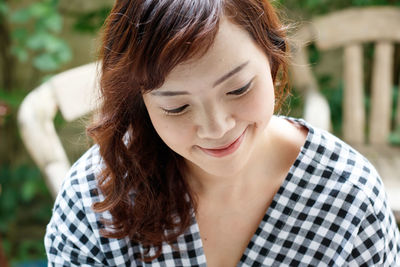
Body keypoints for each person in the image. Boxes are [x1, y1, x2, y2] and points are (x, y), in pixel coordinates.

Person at [44, 0, 400, 266]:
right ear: (141, 104)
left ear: (274, 57)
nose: (217, 128)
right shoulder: (97, 198)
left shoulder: (349, 199)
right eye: (177, 108)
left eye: (239, 88)